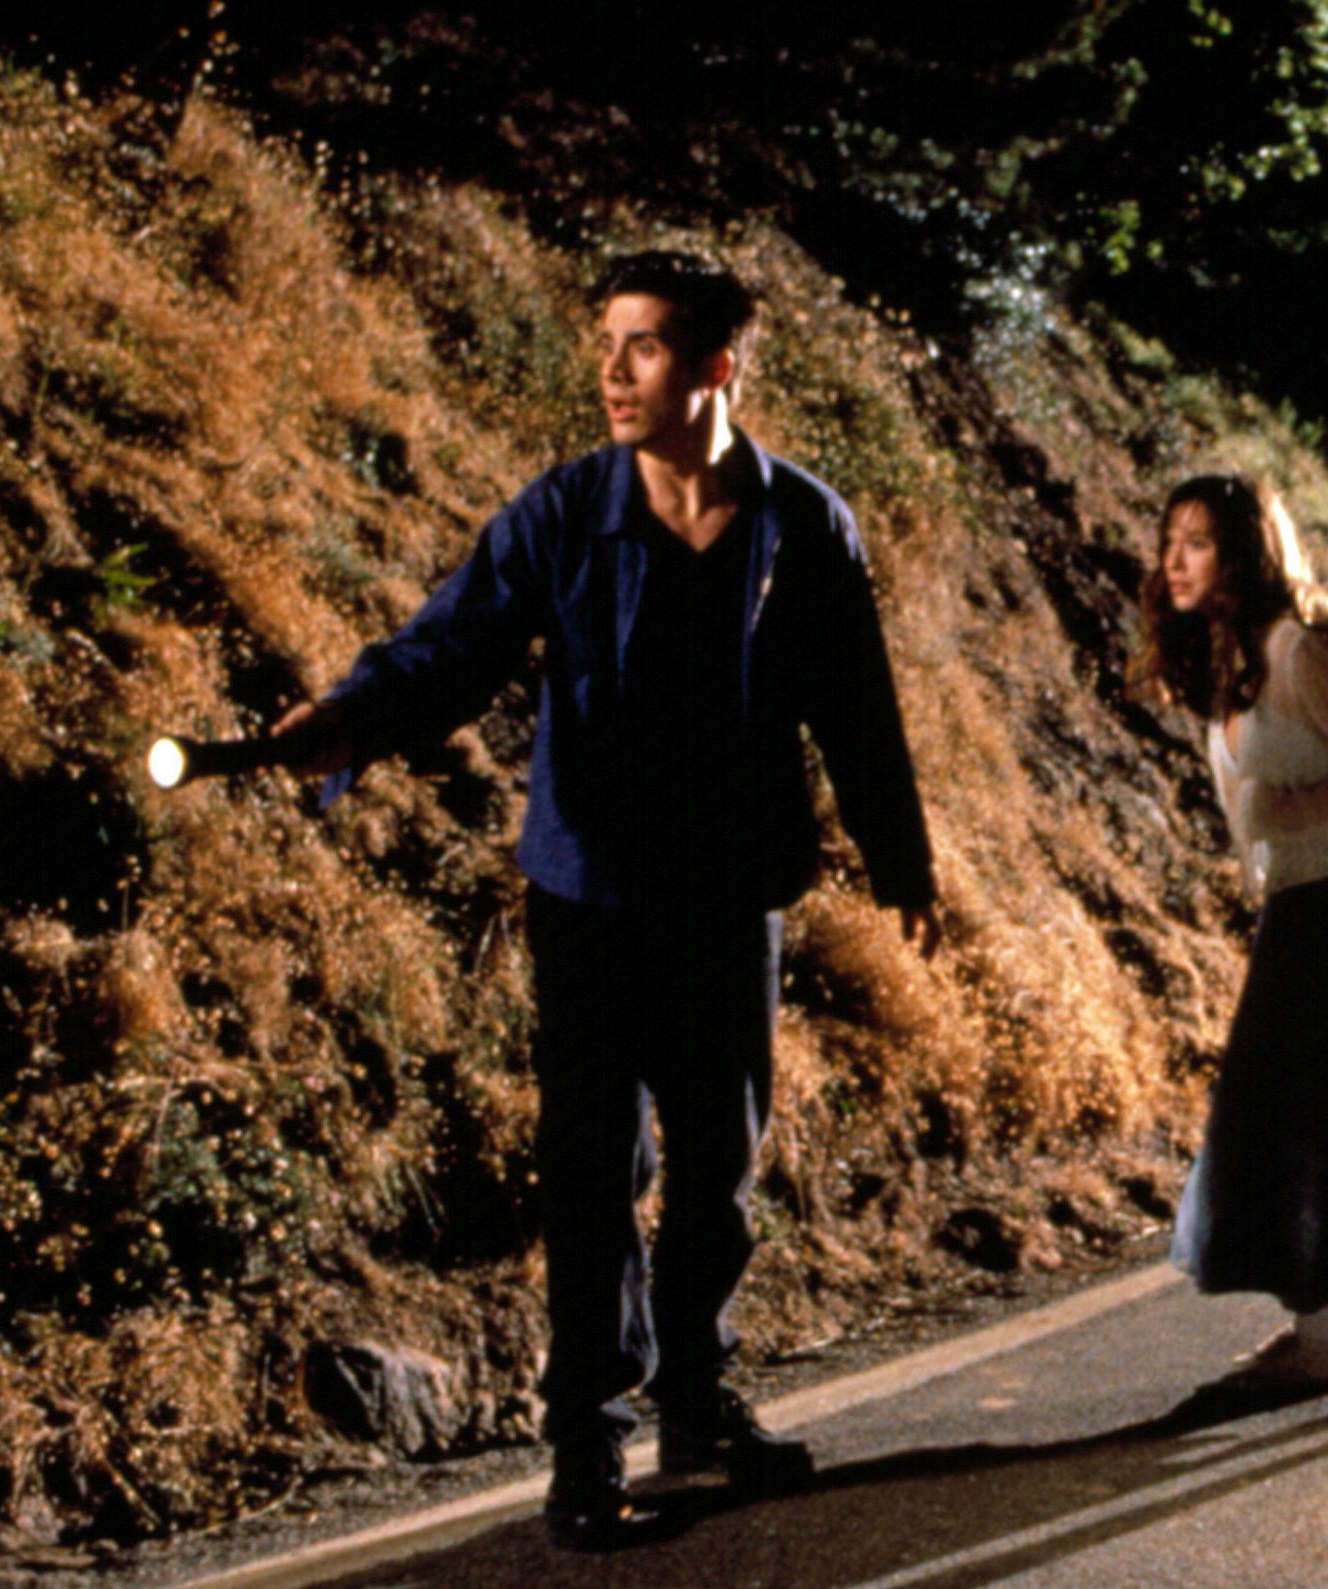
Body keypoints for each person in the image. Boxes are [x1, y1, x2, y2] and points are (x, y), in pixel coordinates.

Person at [269, 250, 939, 1550]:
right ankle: (585, 1445)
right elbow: (450, 643)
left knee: (716, 1174)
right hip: (588, 895)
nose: (612, 371)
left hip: (727, 899)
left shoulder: (803, 525)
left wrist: (900, 862)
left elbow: (857, 707)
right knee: (591, 1174)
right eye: (606, 343)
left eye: (643, 346)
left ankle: (697, 1401)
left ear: (715, 366)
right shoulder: (566, 512)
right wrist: (349, 717)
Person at [1130, 474, 1328, 1388]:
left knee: (1303, 1107)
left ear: (1244, 554)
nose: (1175, 560)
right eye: (1170, 540)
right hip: (1300, 897)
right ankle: (1323, 1328)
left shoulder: (1293, 650)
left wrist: (1292, 814)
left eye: (1198, 542)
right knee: (1291, 1107)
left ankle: (1326, 1335)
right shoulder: (1230, 653)